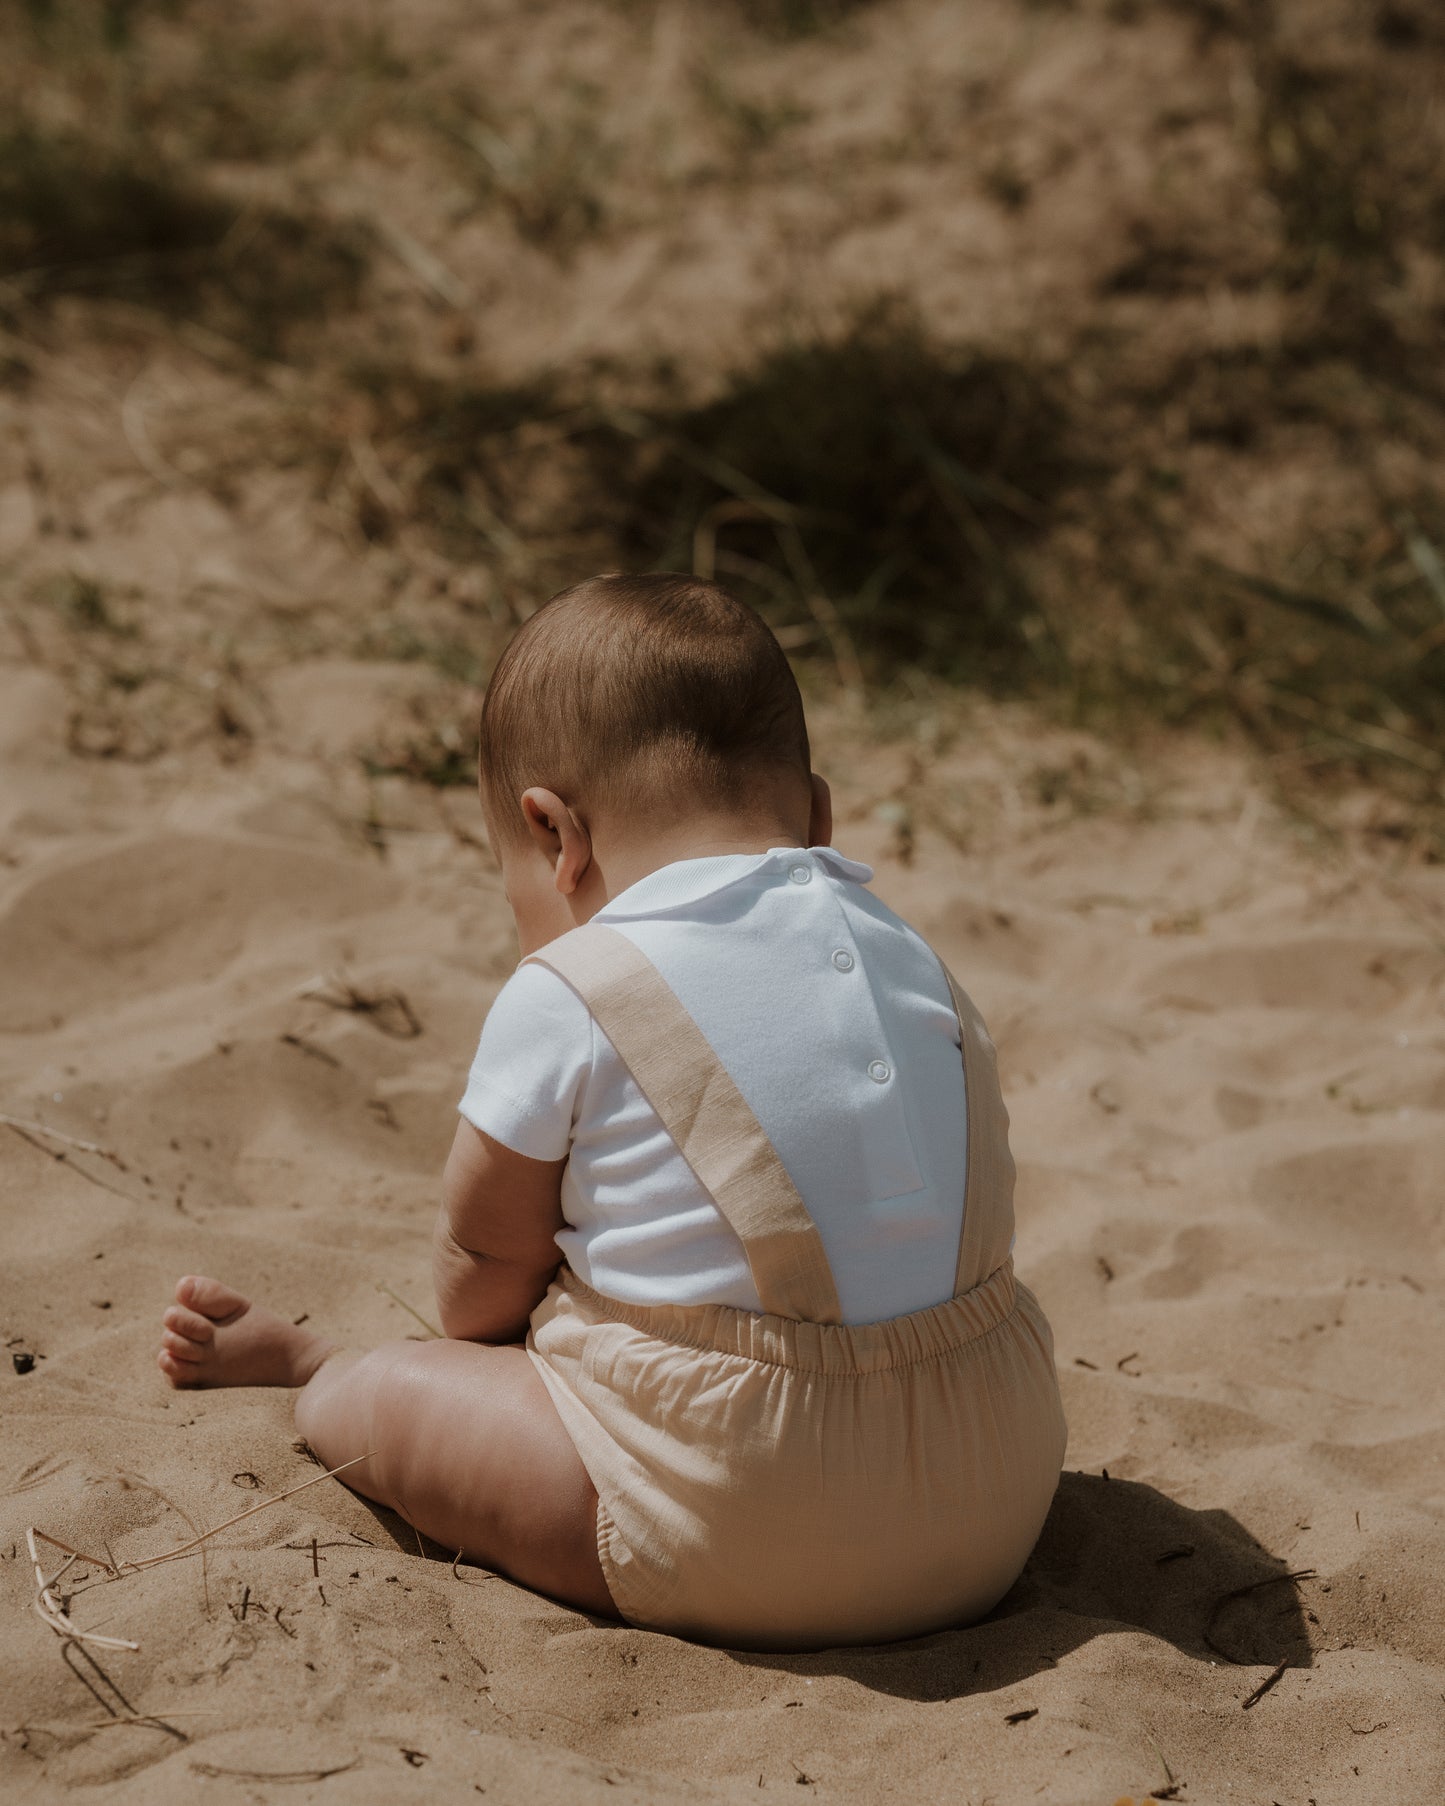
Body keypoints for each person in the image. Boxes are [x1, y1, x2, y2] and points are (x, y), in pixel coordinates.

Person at [157, 572, 1066, 1649]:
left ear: (553, 837)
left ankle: (318, 1371)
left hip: (740, 1510)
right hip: (996, 1489)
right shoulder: (907, 953)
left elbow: (479, 1274)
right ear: (818, 814)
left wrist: (483, 1352)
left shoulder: (575, 985)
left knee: (404, 1393)